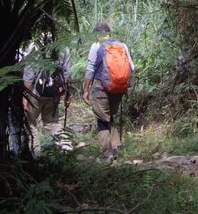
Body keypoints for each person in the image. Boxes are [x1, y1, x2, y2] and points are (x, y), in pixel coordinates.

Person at [83, 23, 134, 162]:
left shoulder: (96, 46)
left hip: (101, 90)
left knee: (102, 121)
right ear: (109, 33)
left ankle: (107, 154)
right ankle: (116, 147)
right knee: (109, 116)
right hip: (118, 90)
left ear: (97, 35)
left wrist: (86, 90)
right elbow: (132, 67)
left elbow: (90, 70)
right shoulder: (122, 46)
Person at [22, 37, 72, 155]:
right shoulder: (63, 47)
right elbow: (67, 74)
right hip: (54, 93)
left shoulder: (34, 46)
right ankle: (64, 150)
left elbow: (29, 73)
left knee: (30, 123)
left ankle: (36, 154)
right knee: (52, 123)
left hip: (35, 93)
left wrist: (25, 96)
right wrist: (67, 93)